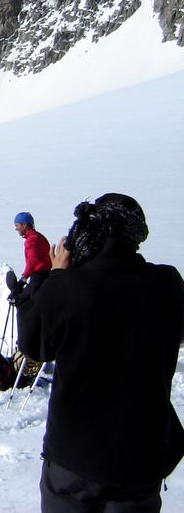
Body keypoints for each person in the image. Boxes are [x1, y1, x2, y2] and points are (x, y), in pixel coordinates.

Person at [16, 193, 184, 512]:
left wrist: (54, 277)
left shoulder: (70, 287)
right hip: (141, 455)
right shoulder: (167, 284)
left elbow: (33, 343)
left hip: (73, 456)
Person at [7, 212, 52, 295]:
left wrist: (23, 278)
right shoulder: (39, 236)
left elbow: (32, 261)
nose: (16, 228)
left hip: (38, 278)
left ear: (24, 225)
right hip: (47, 275)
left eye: (17, 225)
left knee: (24, 302)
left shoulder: (31, 241)